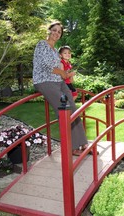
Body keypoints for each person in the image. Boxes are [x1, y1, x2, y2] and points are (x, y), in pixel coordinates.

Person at [32, 21, 89, 156]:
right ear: (49, 30)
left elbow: (61, 68)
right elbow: (45, 65)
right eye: (54, 30)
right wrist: (62, 73)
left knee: (73, 108)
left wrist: (66, 75)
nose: (56, 33)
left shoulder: (55, 52)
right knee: (64, 109)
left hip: (59, 81)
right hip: (45, 81)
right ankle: (72, 146)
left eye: (59, 32)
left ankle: (83, 143)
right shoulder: (42, 45)